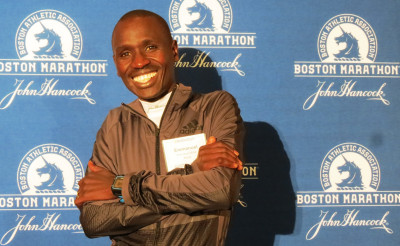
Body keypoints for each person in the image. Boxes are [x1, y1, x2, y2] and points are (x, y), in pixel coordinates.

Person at [75, 9, 244, 246]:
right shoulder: (114, 124)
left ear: (173, 51)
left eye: (150, 47)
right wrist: (192, 178)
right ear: (116, 64)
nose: (139, 62)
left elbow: (220, 191)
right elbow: (95, 220)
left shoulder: (215, 107)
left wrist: (121, 187)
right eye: (125, 53)